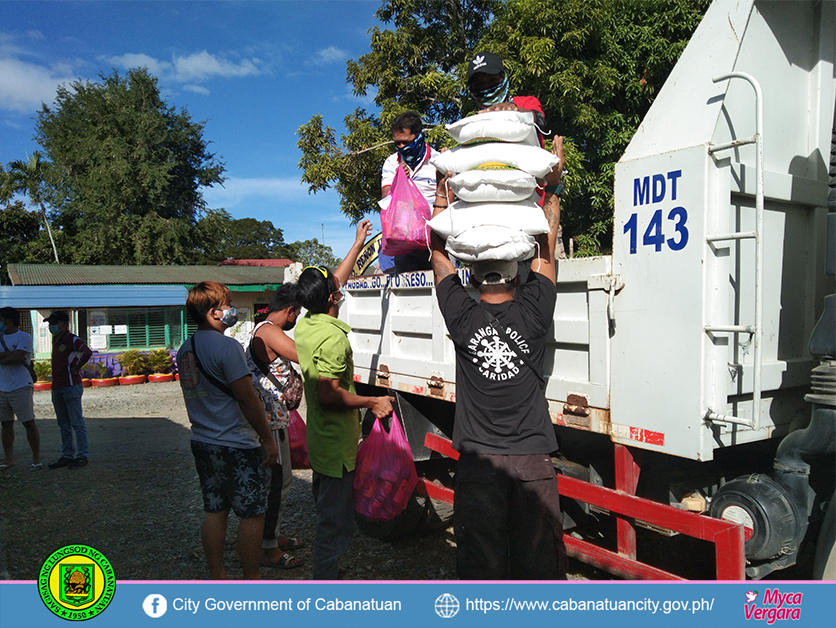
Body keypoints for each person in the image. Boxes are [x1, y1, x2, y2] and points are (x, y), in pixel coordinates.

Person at [430, 137, 567, 580]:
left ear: (475, 275)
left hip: (479, 463)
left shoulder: (462, 316)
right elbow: (547, 248)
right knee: (539, 565)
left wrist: (441, 193)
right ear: (516, 270)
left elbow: (437, 253)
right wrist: (554, 185)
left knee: (481, 564)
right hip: (532, 460)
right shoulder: (534, 310)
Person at [294, 219, 394, 579]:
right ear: (334, 298)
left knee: (327, 513)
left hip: (321, 441)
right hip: (337, 447)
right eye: (335, 287)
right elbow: (329, 395)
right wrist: (372, 402)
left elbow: (335, 280)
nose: (340, 286)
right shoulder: (334, 339)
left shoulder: (307, 324)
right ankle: (327, 587)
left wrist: (357, 243)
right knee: (334, 524)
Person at [177, 281, 278, 580]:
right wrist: (267, 439)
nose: (231, 309)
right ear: (213, 313)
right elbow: (247, 397)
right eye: (228, 304)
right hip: (236, 442)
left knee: (215, 510)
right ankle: (251, 579)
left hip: (202, 440)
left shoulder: (186, 348)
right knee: (252, 513)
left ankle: (218, 575)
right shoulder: (227, 347)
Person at [245, 283, 304, 570]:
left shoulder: (261, 328)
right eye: (298, 313)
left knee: (277, 483)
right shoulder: (269, 331)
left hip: (271, 416)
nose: (297, 319)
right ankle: (267, 548)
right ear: (290, 310)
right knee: (277, 484)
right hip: (270, 420)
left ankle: (272, 534)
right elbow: (301, 354)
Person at [380, 110, 446, 273]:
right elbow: (386, 201)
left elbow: (448, 200)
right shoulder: (391, 163)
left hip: (436, 240)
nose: (401, 147)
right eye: (397, 143)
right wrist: (398, 181)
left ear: (419, 137)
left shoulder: (438, 161)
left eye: (405, 142)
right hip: (405, 242)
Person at [46, 311, 92, 470]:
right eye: (50, 323)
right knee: (63, 423)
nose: (51, 326)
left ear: (65, 324)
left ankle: (82, 455)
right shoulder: (56, 340)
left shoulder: (72, 339)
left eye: (55, 323)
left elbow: (87, 352)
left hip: (71, 385)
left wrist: (76, 367)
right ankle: (67, 455)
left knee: (76, 422)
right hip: (57, 386)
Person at [0, 307, 41, 471]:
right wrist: (9, 356)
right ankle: (8, 459)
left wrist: (6, 357)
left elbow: (18, 357)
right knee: (5, 424)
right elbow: (14, 356)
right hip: (2, 387)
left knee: (28, 422)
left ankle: (36, 458)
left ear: (8, 321)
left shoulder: (24, 337)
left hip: (21, 385)